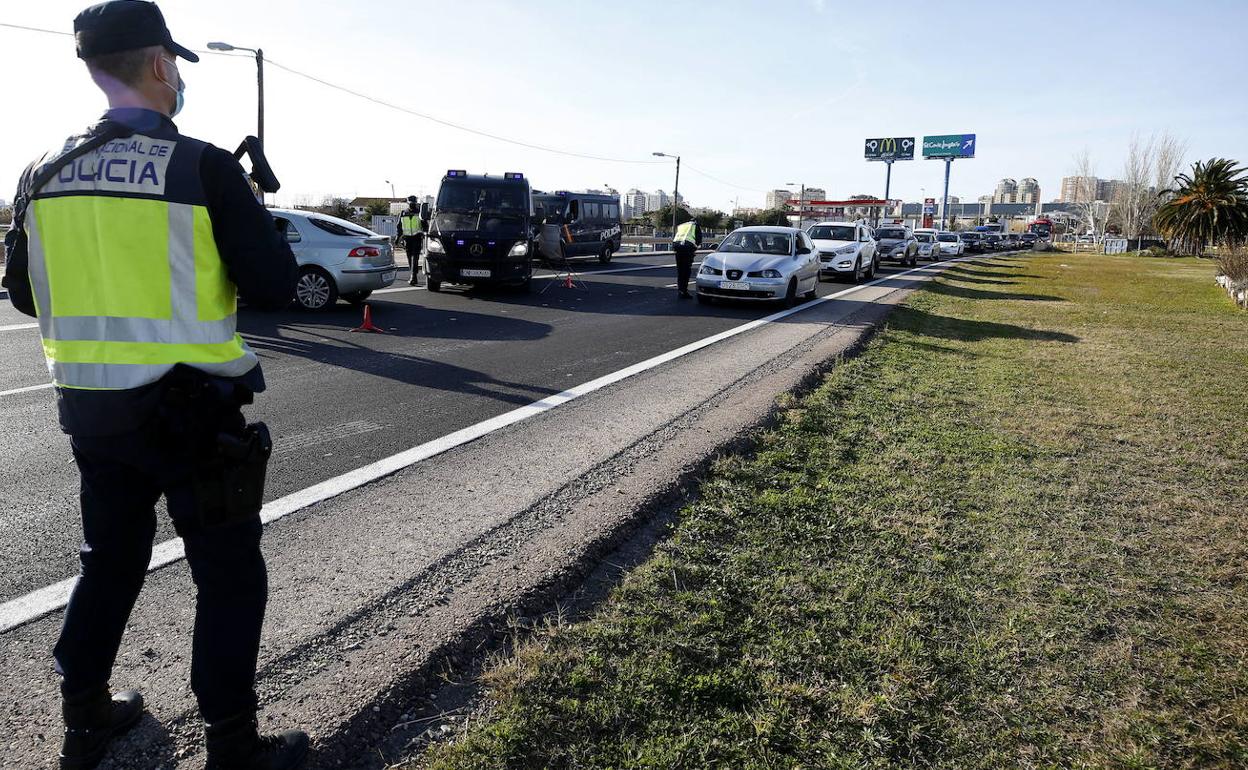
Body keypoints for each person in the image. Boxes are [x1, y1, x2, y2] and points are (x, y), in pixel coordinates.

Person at [1, 2, 307, 768]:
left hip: (92, 412)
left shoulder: (41, 170)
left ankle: (86, 718)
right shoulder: (201, 165)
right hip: (193, 411)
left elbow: (24, 295)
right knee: (229, 576)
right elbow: (272, 283)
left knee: (108, 559)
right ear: (163, 65)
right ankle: (234, 747)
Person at [397, 195, 426, 286]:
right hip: (407, 239)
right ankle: (413, 274)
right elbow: (399, 227)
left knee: (415, 257)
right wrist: (398, 238)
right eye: (411, 203)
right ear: (408, 203)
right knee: (410, 258)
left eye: (413, 203)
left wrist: (425, 235)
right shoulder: (403, 213)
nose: (412, 204)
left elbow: (425, 225)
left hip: (417, 238)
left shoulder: (420, 213)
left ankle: (413, 276)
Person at [672, 218, 702, 299]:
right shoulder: (695, 225)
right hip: (687, 248)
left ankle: (680, 290)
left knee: (680, 270)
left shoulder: (682, 225)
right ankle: (684, 291)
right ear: (696, 221)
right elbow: (699, 239)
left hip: (677, 247)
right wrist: (694, 249)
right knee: (686, 270)